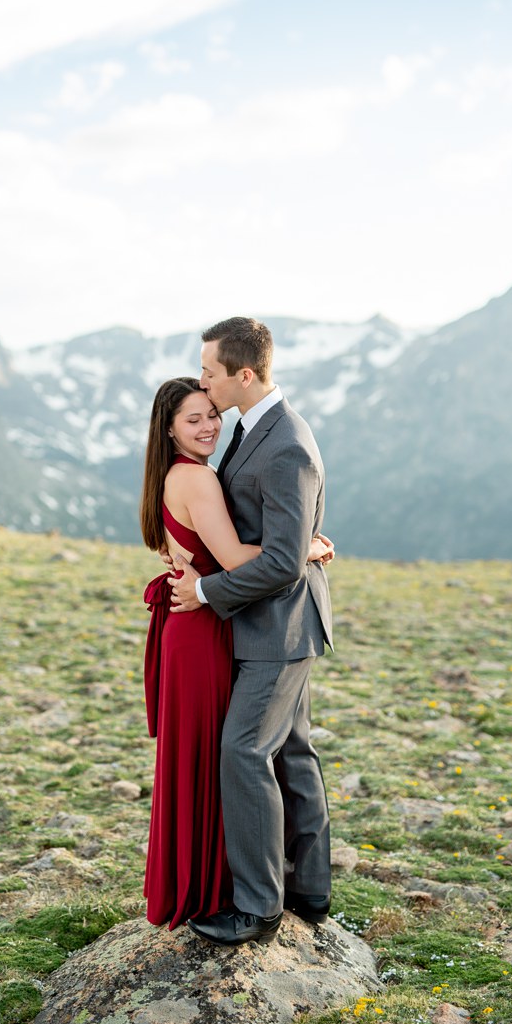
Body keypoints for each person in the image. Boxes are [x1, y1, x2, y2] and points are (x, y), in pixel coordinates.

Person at [164, 317, 338, 945]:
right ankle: (310, 889)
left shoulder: (285, 441)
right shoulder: (251, 428)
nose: (202, 380)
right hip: (273, 624)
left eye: (209, 370)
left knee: (244, 751)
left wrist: (207, 591)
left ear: (243, 374)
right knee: (291, 751)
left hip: (279, 629)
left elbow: (282, 561)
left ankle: (260, 907)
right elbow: (277, 541)